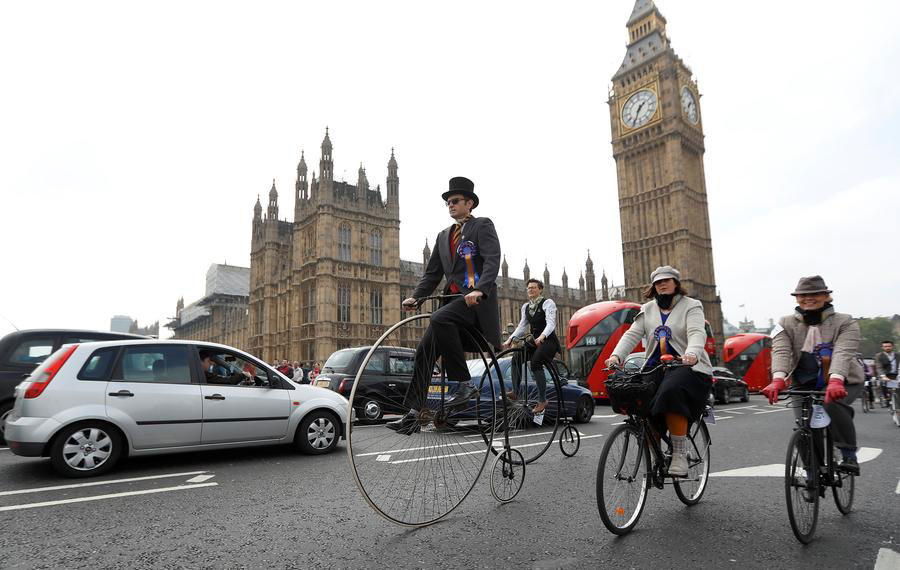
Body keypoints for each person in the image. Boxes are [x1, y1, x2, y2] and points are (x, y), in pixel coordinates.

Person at [387, 176, 501, 435]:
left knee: (439, 317)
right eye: (448, 202)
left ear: (469, 203)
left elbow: (492, 260)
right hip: (452, 305)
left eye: (455, 201)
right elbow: (432, 274)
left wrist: (480, 289)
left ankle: (464, 383)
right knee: (423, 351)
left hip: (475, 305)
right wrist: (417, 297)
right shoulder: (443, 237)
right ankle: (413, 414)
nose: (450, 205)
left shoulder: (482, 225)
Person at [604, 266, 713, 477]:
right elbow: (631, 335)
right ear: (654, 287)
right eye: (658, 282)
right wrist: (617, 356)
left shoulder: (691, 306)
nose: (662, 285)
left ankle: (679, 454)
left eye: (666, 281)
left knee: (671, 390)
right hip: (656, 366)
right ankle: (657, 456)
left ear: (676, 284)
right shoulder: (647, 309)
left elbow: (696, 333)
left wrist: (691, 353)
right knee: (636, 397)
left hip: (687, 367)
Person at [761, 275, 864, 475]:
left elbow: (843, 352)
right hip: (803, 382)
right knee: (804, 425)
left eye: (815, 294)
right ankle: (812, 472)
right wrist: (778, 379)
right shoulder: (785, 323)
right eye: (802, 295)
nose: (808, 298)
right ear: (797, 298)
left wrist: (835, 380)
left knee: (830, 403)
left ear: (826, 296)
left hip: (843, 380)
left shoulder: (845, 321)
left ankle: (848, 454)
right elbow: (781, 351)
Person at [502, 278, 560, 414]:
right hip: (535, 341)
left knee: (535, 363)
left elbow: (551, 323)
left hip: (548, 341)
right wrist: (510, 339)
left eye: (533, 287)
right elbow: (522, 326)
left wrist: (543, 336)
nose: (530, 290)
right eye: (529, 288)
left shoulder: (548, 303)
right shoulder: (526, 307)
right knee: (516, 357)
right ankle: (515, 391)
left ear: (540, 289)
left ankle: (542, 400)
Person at [874, 340, 898, 407]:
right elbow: (879, 367)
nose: (887, 348)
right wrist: (883, 376)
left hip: (896, 374)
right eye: (885, 346)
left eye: (889, 346)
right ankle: (886, 399)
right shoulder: (879, 356)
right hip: (885, 374)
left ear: (892, 346)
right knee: (882, 384)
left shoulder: (898, 355)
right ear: (882, 347)